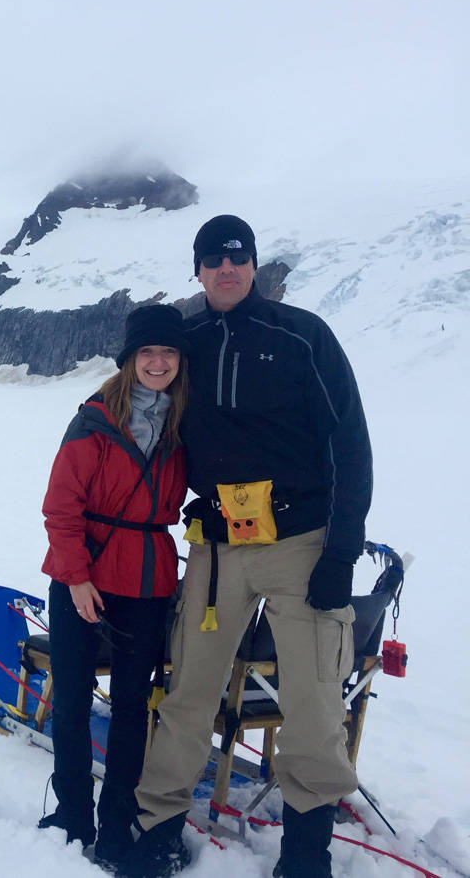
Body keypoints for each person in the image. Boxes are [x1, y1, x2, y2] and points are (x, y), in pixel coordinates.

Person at [121, 216, 373, 878]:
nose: (226, 268)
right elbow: (140, 410)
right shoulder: (187, 340)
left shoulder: (302, 337)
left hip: (303, 543)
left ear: (254, 265)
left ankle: (305, 851)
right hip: (216, 547)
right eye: (213, 259)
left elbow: (350, 444)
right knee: (188, 693)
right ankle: (158, 828)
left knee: (315, 701)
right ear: (198, 270)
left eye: (238, 257)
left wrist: (341, 554)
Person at [39, 304, 190, 870]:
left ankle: (119, 822)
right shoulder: (95, 420)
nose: (157, 362)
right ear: (129, 361)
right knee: (74, 699)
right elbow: (61, 506)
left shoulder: (183, 425)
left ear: (180, 361)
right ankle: (73, 814)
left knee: (131, 707)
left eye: (168, 353)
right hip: (85, 577)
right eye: (147, 353)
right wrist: (76, 576)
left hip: (148, 578)